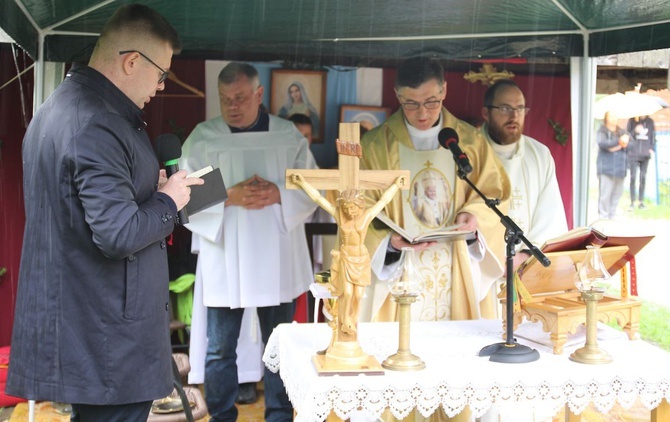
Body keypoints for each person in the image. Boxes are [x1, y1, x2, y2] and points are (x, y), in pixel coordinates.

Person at [6, 4, 203, 421]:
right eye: (162, 74)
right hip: (106, 336)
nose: (163, 87)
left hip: (88, 327)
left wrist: (156, 193)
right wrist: (169, 200)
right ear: (132, 61)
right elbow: (117, 233)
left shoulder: (65, 106)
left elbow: (88, 209)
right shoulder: (97, 122)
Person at [179, 62, 318, 422]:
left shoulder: (288, 135)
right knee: (220, 349)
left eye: (241, 97)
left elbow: (313, 186)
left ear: (259, 94)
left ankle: (279, 415)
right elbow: (181, 194)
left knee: (280, 346)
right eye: (225, 99)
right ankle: (222, 415)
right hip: (226, 257)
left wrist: (279, 194)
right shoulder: (203, 137)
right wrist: (228, 195)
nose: (232, 106)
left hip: (277, 256)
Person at [360, 56, 511, 325]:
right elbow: (357, 210)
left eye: (431, 101)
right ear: (397, 95)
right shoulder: (374, 147)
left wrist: (474, 216)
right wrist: (388, 242)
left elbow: (493, 193)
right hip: (401, 271)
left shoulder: (469, 141)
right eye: (411, 103)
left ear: (444, 91)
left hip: (457, 265)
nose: (422, 113)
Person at [290, 173, 407, 336]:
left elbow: (383, 201)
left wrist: (395, 186)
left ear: (360, 205)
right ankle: (345, 321)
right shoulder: (341, 216)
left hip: (360, 260)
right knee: (348, 293)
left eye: (352, 207)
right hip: (345, 258)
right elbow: (319, 199)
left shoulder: (366, 217)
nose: (349, 211)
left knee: (358, 294)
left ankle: (352, 318)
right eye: (346, 208)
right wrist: (303, 183)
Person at [480, 79, 568, 271]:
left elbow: (550, 216)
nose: (514, 116)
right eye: (505, 108)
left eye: (520, 109)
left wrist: (525, 256)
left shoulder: (539, 154)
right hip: (478, 266)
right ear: (486, 113)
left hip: (525, 266)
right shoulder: (469, 151)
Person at [597, 111, 630, 219]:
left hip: (620, 167)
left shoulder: (622, 132)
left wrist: (625, 142)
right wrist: (619, 142)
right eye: (611, 116)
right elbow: (603, 144)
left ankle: (612, 216)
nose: (613, 118)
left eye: (615, 115)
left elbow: (632, 145)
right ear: (606, 118)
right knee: (605, 195)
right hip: (606, 168)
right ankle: (603, 218)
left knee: (617, 194)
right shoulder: (602, 131)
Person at [626, 115, 656, 209]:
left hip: (645, 153)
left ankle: (641, 201)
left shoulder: (650, 121)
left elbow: (652, 135)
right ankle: (632, 201)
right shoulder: (632, 121)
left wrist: (651, 148)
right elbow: (627, 136)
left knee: (643, 177)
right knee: (633, 177)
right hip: (633, 153)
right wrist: (635, 130)